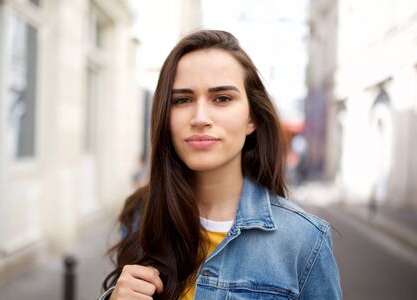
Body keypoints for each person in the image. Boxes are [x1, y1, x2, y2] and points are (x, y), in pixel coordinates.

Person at [99, 30, 342, 300]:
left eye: (222, 98)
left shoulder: (304, 240)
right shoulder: (141, 215)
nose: (200, 118)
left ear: (252, 118)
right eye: (182, 100)